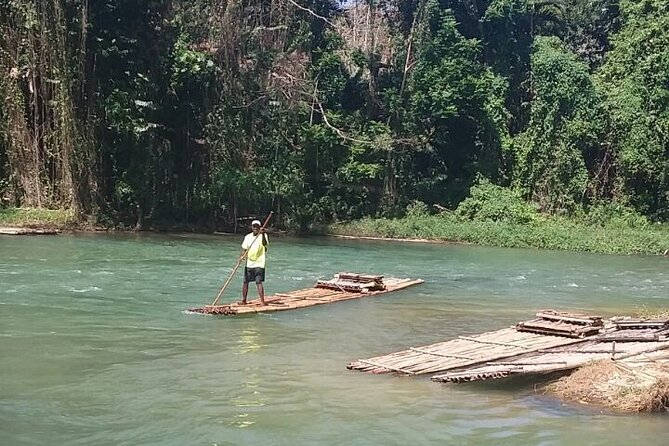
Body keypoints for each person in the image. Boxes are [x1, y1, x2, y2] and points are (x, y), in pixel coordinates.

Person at [239, 219, 269, 305]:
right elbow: (244, 249)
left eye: (257, 227)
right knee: (245, 282)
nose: (255, 228)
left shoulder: (263, 236)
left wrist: (262, 234)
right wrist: (241, 257)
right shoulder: (248, 237)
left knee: (258, 282)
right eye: (254, 226)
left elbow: (265, 244)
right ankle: (244, 300)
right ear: (252, 227)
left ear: (260, 228)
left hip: (259, 263)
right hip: (249, 263)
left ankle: (262, 301)